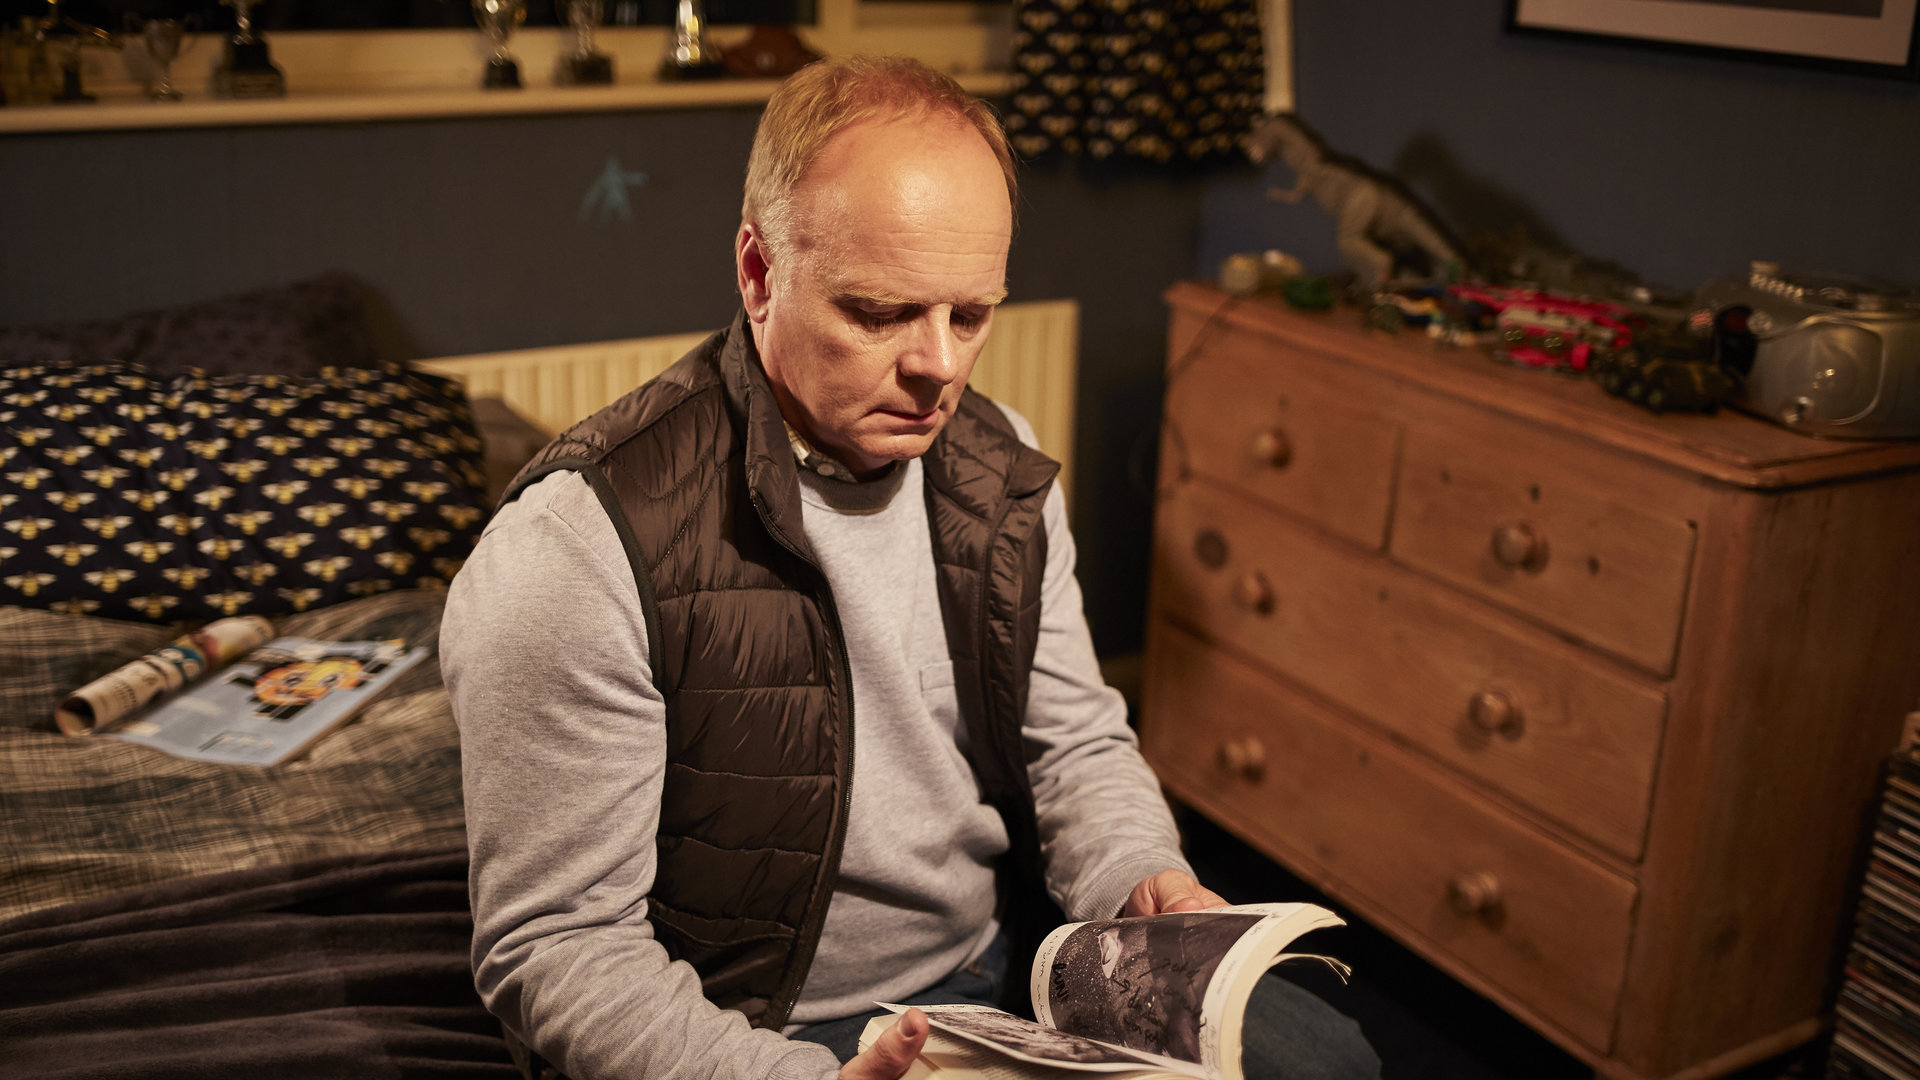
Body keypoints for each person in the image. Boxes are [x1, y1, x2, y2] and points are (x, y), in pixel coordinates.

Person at [440, 54, 1379, 1080]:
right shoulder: (576, 549)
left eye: (970, 314)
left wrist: (1141, 875)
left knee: (1333, 1062)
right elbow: (558, 950)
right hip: (754, 1032)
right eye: (881, 313)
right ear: (758, 273)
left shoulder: (1001, 469)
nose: (938, 366)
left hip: (1003, 972)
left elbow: (1073, 742)